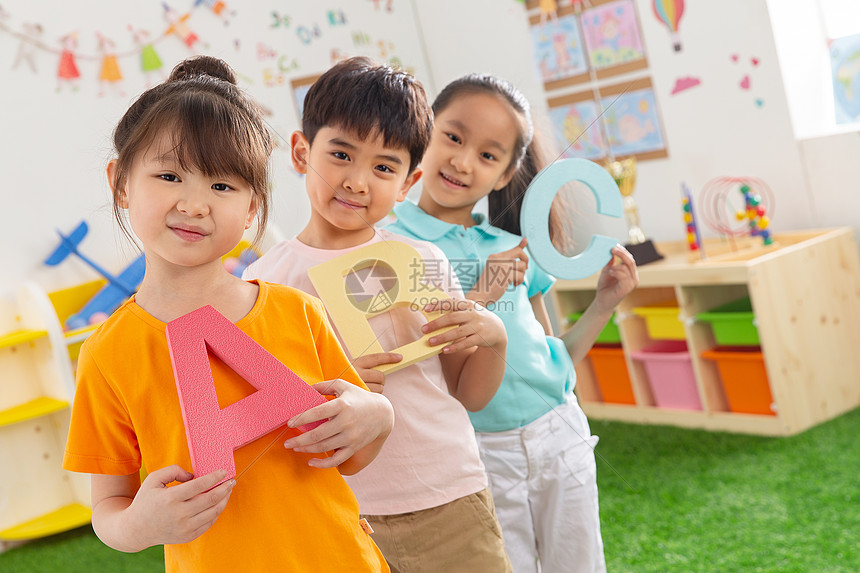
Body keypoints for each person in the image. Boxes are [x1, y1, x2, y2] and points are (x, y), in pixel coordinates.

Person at [62, 56, 394, 573]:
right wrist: (137, 526)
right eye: (170, 175)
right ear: (121, 183)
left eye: (222, 186)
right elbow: (107, 506)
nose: (195, 205)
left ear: (253, 207)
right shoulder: (107, 353)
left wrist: (378, 417)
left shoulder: (298, 312)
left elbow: (352, 454)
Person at [242, 57, 512, 573]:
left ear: (408, 183)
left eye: (384, 167)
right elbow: (263, 416)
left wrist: (494, 339)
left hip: (449, 491)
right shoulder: (264, 285)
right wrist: (325, 384)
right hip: (342, 508)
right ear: (302, 152)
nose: (358, 181)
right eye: (340, 154)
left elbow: (469, 392)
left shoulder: (424, 262)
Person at [384, 73, 639, 573]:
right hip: (478, 451)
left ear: (504, 175)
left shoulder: (512, 247)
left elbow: (554, 355)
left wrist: (604, 304)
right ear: (425, 134)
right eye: (453, 137)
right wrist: (484, 293)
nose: (462, 161)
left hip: (559, 431)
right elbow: (417, 360)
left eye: (488, 154)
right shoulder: (394, 247)